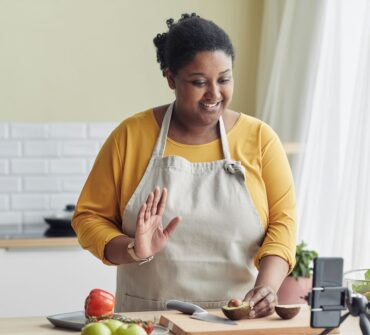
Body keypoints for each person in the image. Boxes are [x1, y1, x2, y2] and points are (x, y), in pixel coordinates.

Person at [72, 13, 296, 318]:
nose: (214, 94)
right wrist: (133, 250)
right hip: (146, 324)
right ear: (171, 78)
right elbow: (88, 218)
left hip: (236, 321)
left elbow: (283, 225)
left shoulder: (259, 139)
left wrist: (267, 287)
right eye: (199, 82)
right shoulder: (130, 137)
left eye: (224, 79)